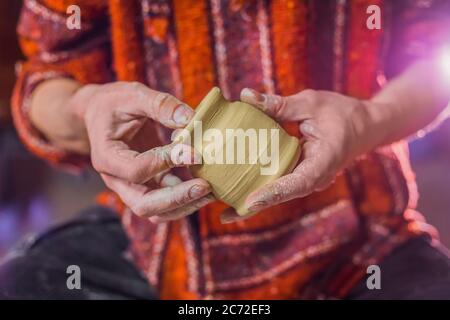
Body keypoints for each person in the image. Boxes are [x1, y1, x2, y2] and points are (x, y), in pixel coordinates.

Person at [1, 0, 450, 299]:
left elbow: (435, 58)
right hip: (157, 244)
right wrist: (84, 108)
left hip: (357, 242)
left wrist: (368, 122)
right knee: (23, 282)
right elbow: (43, 78)